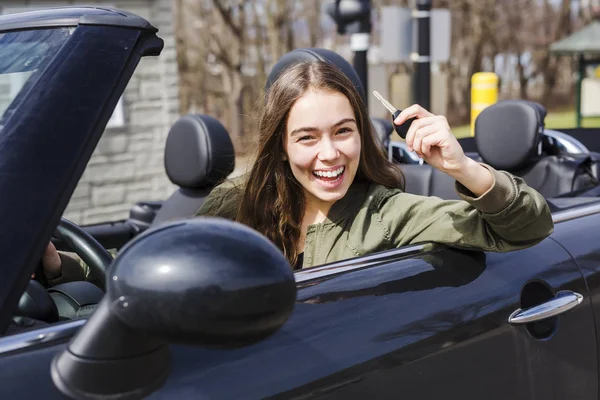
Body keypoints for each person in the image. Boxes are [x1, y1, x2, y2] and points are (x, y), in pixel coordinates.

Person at [44, 60, 553, 280]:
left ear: (363, 135)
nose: (329, 155)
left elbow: (529, 226)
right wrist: (59, 266)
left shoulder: (389, 213)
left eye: (343, 131)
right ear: (281, 148)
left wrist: (462, 166)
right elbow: (157, 262)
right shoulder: (237, 202)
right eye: (306, 138)